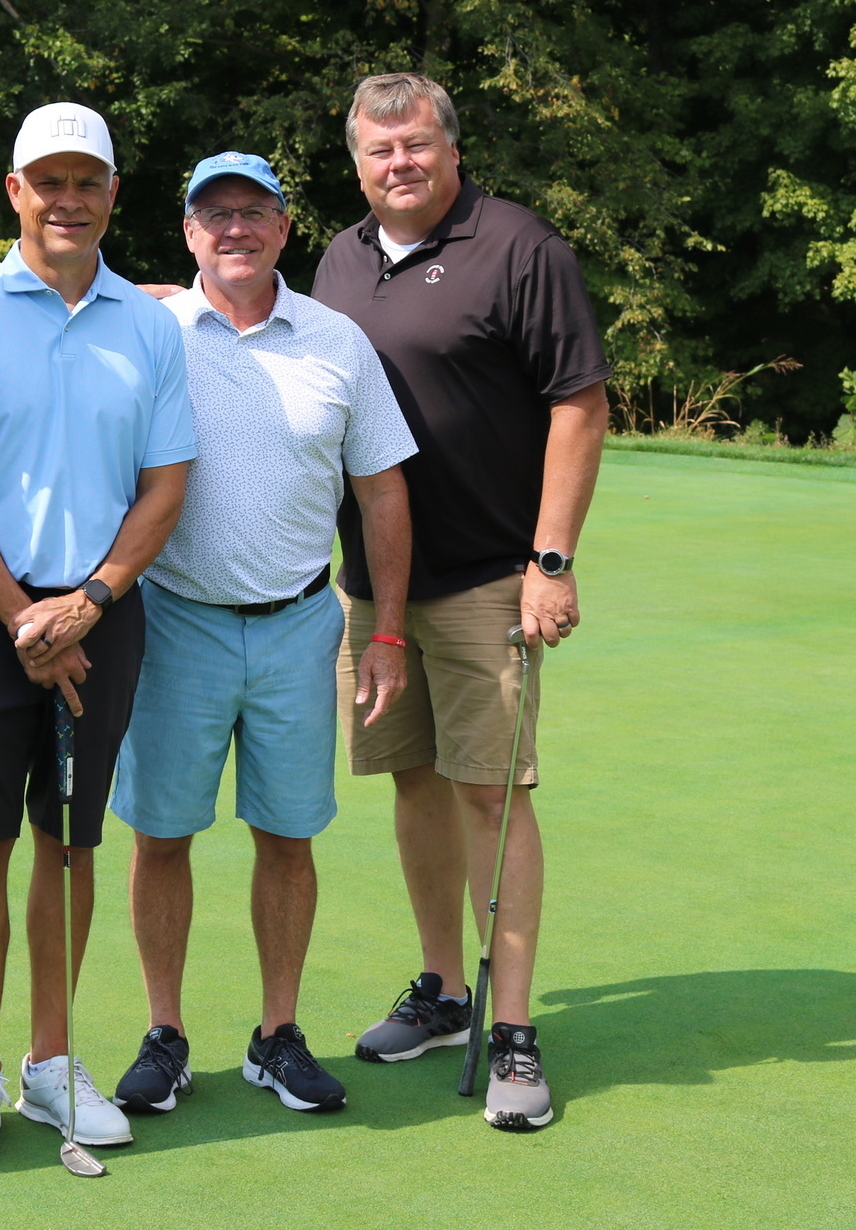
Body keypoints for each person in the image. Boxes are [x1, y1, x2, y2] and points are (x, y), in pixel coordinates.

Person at [310, 72, 613, 1132]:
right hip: (374, 583)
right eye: (379, 148)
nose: (398, 163)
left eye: (416, 144)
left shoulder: (521, 248)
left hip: (487, 574)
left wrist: (551, 558)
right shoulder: (339, 259)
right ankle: (444, 989)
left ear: (450, 147)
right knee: (413, 782)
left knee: (490, 794)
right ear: (356, 162)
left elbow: (579, 404)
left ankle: (513, 1027)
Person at [0, 102, 198, 1164]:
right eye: (49, 181)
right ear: (14, 192)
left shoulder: (150, 327)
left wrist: (92, 600)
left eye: (87, 181)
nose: (67, 200)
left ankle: (50, 1058)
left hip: (102, 611)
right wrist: (26, 615)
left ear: (113, 194)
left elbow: (166, 482)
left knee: (71, 842)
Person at [106, 151, 418, 1118]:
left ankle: (277, 1034)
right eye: (215, 214)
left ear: (285, 227)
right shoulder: (149, 330)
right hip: (173, 620)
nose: (234, 228)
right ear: (188, 232)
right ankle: (164, 1033)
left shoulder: (336, 338)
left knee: (287, 836)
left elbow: (381, 492)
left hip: (298, 623)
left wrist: (388, 631)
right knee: (162, 835)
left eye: (254, 211)